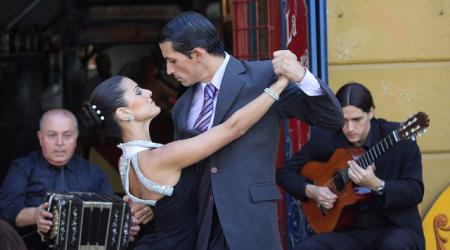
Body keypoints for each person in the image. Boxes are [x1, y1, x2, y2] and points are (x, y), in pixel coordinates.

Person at [158, 11, 344, 250]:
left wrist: (301, 76)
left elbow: (331, 118)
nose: (168, 70)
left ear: (197, 54)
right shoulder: (182, 107)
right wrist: (150, 199)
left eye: (172, 60)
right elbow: (182, 170)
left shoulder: (264, 77)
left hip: (251, 221)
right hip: (202, 227)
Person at [80, 73, 290, 249]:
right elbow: (233, 128)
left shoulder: (127, 159)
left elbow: (164, 207)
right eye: (138, 91)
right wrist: (279, 85)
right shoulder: (160, 158)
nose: (149, 92)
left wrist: (149, 210)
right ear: (124, 113)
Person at [276, 82, 425, 250]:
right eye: (344, 120)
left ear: (370, 112)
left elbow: (415, 190)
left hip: (394, 228)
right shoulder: (327, 138)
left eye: (357, 120)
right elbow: (284, 173)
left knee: (394, 246)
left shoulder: (399, 138)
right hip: (349, 231)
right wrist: (313, 191)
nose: (350, 128)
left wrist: (377, 184)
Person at [0, 109, 150, 250]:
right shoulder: (22, 167)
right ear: (40, 138)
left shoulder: (94, 173)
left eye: (67, 135)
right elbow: (6, 211)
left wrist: (124, 226)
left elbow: (112, 214)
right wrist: (35, 215)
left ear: (76, 137)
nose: (60, 142)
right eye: (52, 135)